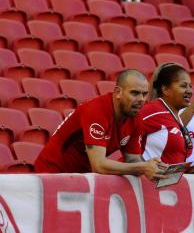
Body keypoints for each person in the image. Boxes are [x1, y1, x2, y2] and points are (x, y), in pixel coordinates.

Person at [34, 69, 167, 180]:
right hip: (51, 172)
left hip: (81, 176)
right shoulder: (96, 111)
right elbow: (99, 165)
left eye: (144, 94)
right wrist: (143, 167)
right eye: (134, 93)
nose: (141, 100)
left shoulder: (135, 117)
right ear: (118, 92)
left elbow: (132, 159)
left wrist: (155, 168)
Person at [135, 63, 194, 164]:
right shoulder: (152, 110)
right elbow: (124, 134)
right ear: (166, 90)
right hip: (145, 179)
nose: (189, 91)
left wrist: (186, 170)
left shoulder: (175, 116)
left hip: (168, 179)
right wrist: (142, 166)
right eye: (183, 86)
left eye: (190, 86)